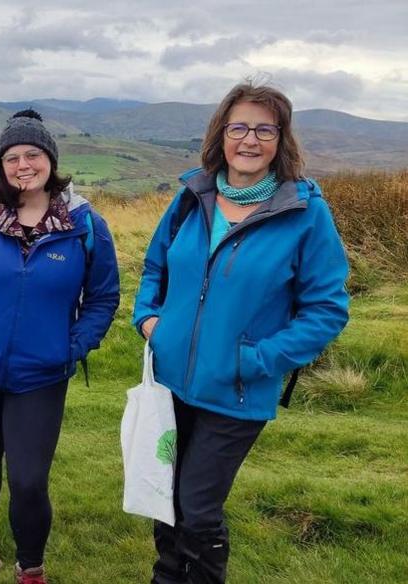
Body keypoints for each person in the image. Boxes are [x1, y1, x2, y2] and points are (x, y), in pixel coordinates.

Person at [131, 82, 350, 584]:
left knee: (198, 505)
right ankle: (167, 576)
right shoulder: (193, 197)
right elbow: (154, 268)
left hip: (236, 390)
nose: (250, 140)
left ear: (281, 139)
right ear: (221, 135)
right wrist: (148, 320)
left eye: (264, 129)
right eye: (239, 128)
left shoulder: (304, 212)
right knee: (163, 495)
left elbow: (327, 309)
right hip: (169, 381)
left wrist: (255, 359)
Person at [0, 110, 120, 584]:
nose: (23, 165)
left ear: (51, 161)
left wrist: (73, 345)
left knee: (29, 480)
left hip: (41, 376)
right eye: (12, 157)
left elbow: (103, 296)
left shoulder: (84, 225)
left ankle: (30, 569)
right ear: (1, 166)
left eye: (32, 154)